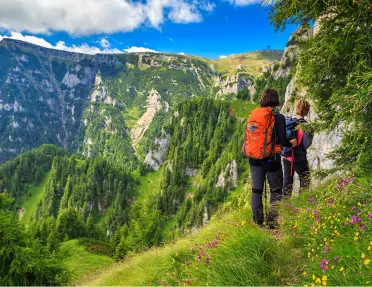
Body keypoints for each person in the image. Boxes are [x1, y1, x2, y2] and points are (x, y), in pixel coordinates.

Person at [242, 88, 296, 228]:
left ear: (263, 99)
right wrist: (291, 143)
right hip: (271, 158)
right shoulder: (278, 117)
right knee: (276, 189)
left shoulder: (253, 114)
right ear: (276, 100)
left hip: (254, 157)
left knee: (256, 190)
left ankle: (258, 222)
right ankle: (272, 222)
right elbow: (283, 140)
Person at [282, 100, 313, 197]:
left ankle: (285, 207)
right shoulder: (307, 126)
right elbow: (306, 144)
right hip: (299, 158)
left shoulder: (288, 122)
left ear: (296, 109)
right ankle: (302, 204)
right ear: (306, 111)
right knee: (305, 181)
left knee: (287, 183)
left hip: (287, 157)